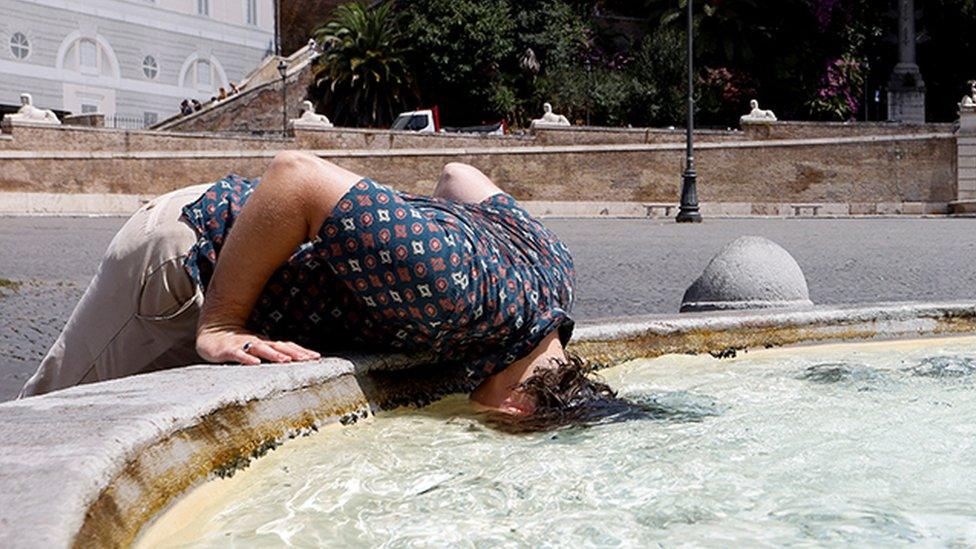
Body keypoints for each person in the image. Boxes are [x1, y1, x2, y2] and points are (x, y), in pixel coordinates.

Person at [19, 155, 577, 416]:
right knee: (51, 425)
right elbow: (296, 176)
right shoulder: (452, 294)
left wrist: (392, 232)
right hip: (185, 251)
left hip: (232, 247)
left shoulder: (556, 278)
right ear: (514, 409)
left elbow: (458, 176)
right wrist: (222, 324)